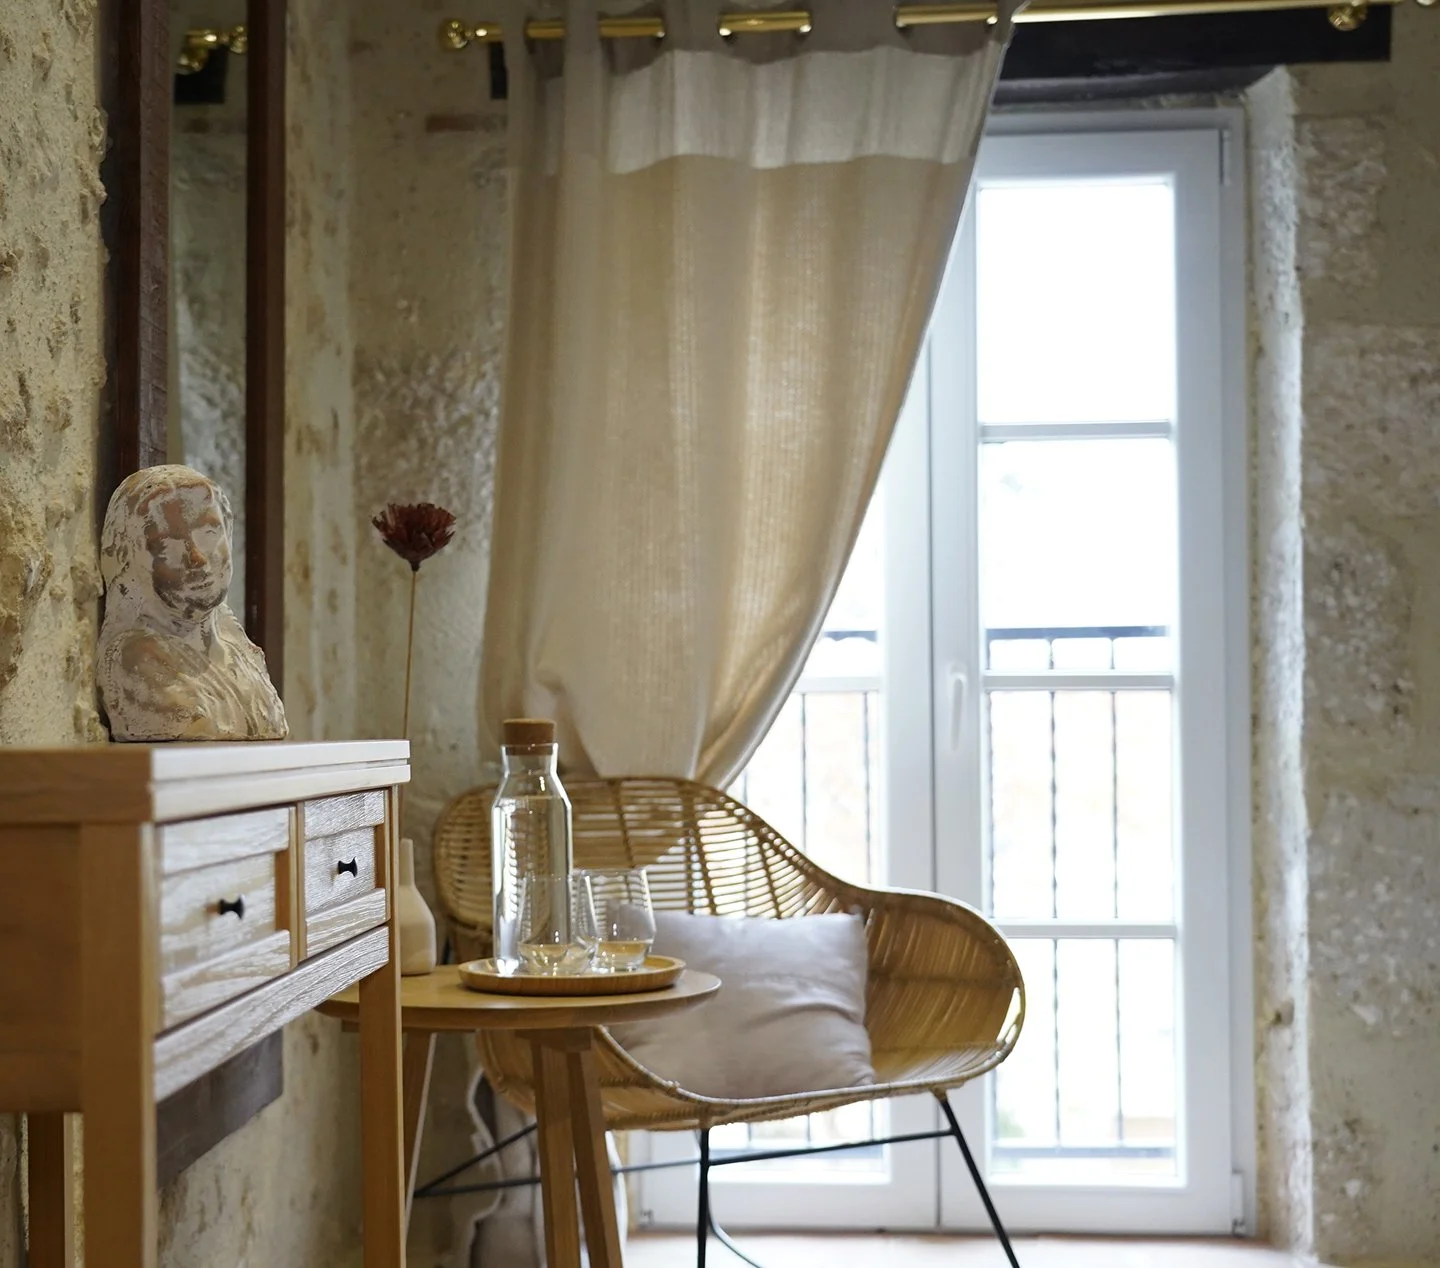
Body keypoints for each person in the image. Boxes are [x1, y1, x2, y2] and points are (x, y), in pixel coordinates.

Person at [98, 464, 287, 741]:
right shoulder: (138, 662)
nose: (196, 557)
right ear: (134, 560)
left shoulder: (241, 652)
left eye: (209, 532)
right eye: (167, 544)